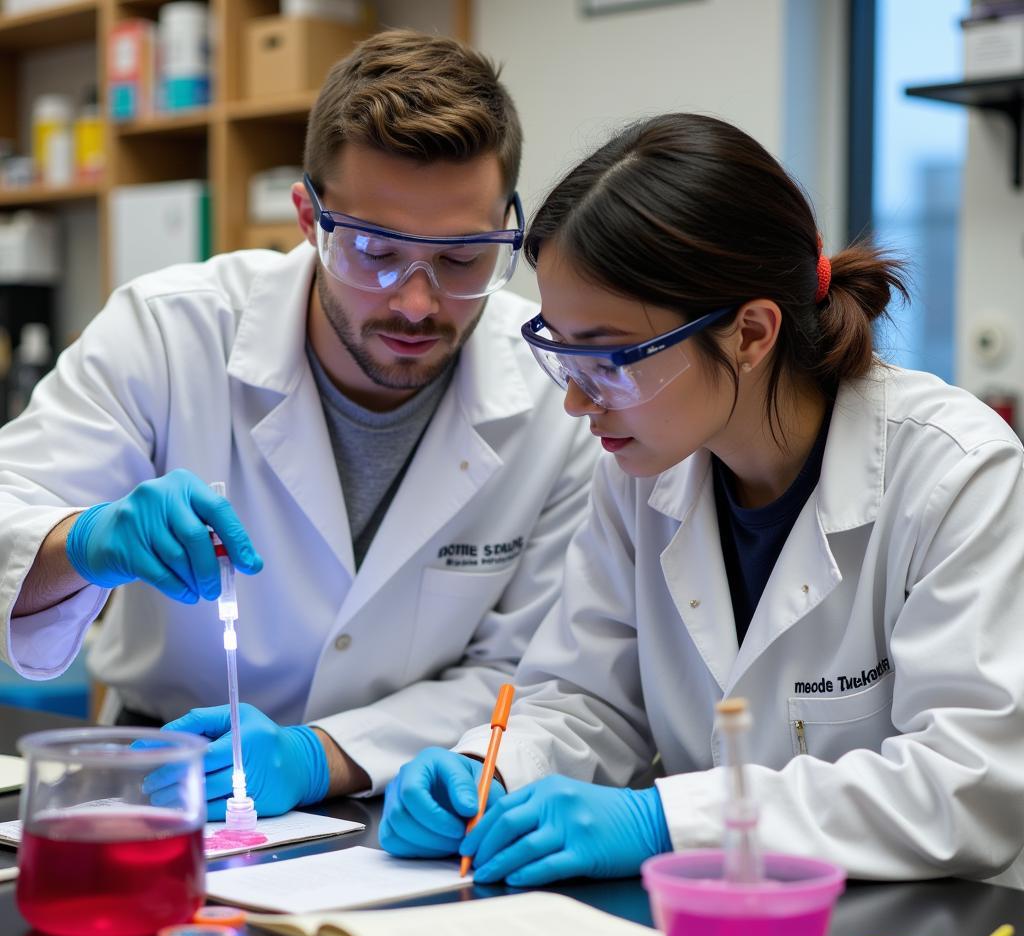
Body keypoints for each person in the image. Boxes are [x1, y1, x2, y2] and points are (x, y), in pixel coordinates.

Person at [380, 112, 1024, 888]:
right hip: (715, 931)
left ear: (751, 334)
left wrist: (666, 822)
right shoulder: (643, 472)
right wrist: (491, 769)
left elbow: (970, 784)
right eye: (563, 353)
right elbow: (590, 698)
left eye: (611, 358)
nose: (578, 405)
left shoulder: (956, 474)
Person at [0, 30, 597, 820]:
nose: (416, 303)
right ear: (308, 218)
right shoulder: (168, 330)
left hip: (402, 801)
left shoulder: (560, 393)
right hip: (168, 784)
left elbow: (529, 674)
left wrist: (319, 756)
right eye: (377, 251)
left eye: (461, 259)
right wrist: (81, 539)